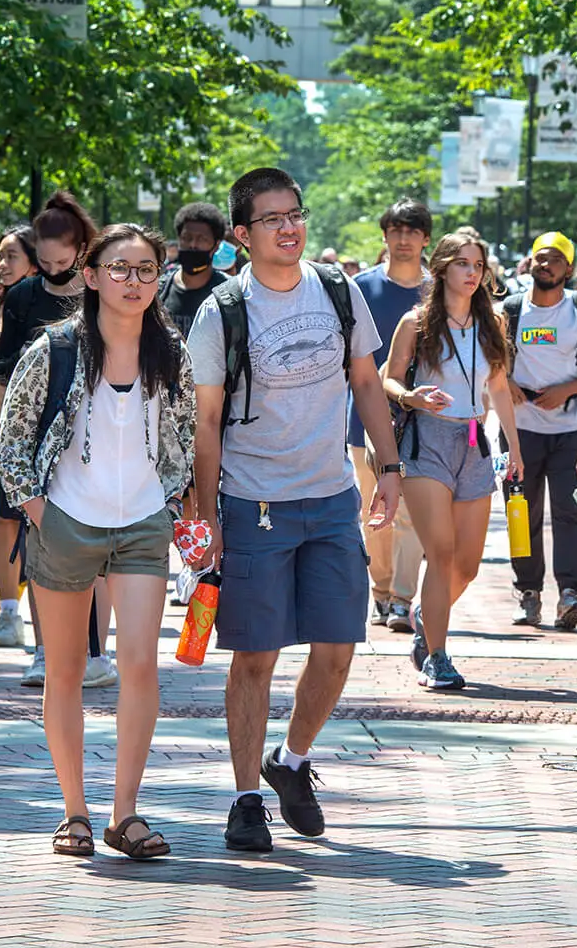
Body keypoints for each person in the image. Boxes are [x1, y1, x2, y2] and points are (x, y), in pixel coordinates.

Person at [188, 167, 401, 853]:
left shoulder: (337, 291)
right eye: (273, 218)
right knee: (256, 657)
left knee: (338, 649)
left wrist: (389, 466)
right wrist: (208, 514)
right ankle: (247, 798)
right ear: (243, 235)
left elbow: (366, 381)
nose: (290, 227)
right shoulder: (222, 311)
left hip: (332, 497)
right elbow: (207, 421)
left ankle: (292, 760)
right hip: (254, 505)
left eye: (296, 213)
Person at [0, 222, 195, 857]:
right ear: (90, 276)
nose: (133, 281)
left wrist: (168, 501)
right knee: (67, 670)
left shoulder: (172, 352)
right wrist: (38, 510)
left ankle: (126, 813)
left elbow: (186, 434)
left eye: (145, 271)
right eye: (119, 268)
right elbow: (12, 439)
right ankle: (74, 811)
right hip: (65, 523)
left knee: (140, 665)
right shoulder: (55, 349)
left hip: (141, 524)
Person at [383, 231, 523, 690]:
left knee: (468, 565)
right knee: (439, 554)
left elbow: (499, 388)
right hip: (428, 443)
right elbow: (388, 378)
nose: (472, 273)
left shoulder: (492, 323)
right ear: (442, 268)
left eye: (478, 265)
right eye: (462, 263)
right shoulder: (417, 321)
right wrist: (411, 397)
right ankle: (437, 656)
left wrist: (513, 449)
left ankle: (427, 613)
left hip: (474, 443)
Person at [0, 192, 116, 689]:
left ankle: (95, 651)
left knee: (98, 547)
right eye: (42, 263)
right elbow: (2, 366)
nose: (51, 271)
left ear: (83, 253)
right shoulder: (23, 296)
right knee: (40, 542)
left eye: (62, 263)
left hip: (95, 429)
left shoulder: (97, 291)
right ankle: (45, 650)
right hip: (37, 427)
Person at [505, 231, 577, 629]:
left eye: (555, 259)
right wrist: (504, 382)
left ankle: (570, 593)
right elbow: (489, 361)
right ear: (530, 264)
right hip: (520, 431)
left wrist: (566, 390)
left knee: (569, 511)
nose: (546, 265)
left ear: (569, 268)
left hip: (570, 430)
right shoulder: (508, 311)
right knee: (519, 512)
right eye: (539, 258)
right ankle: (528, 591)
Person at [349, 198, 431, 633]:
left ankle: (402, 598)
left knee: (412, 514)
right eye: (396, 230)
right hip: (363, 419)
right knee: (373, 512)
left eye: (412, 231)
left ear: (425, 239)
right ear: (385, 237)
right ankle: (380, 592)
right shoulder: (359, 287)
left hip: (420, 424)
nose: (403, 239)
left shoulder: (437, 290)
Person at [0, 225, 39, 649]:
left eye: (11, 255)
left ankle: (45, 610)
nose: (2, 264)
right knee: (3, 519)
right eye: (0, 254)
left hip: (38, 427)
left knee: (38, 522)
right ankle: (9, 614)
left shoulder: (48, 302)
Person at [160, 202, 228, 338]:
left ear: (216, 246)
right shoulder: (158, 291)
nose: (193, 245)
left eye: (202, 239)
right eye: (187, 238)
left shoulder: (230, 293)